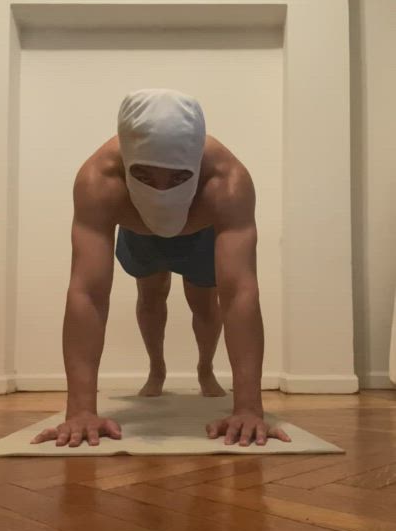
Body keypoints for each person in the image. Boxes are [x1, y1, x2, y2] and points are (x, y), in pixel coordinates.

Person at [31, 88, 291, 449]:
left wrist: (249, 409)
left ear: (196, 163)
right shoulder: (99, 180)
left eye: (178, 178)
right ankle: (157, 369)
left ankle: (205, 369)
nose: (162, 191)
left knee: (204, 302)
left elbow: (239, 293)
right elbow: (87, 293)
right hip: (139, 233)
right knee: (151, 296)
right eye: (145, 176)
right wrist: (80, 411)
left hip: (200, 233)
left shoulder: (227, 181)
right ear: (126, 162)